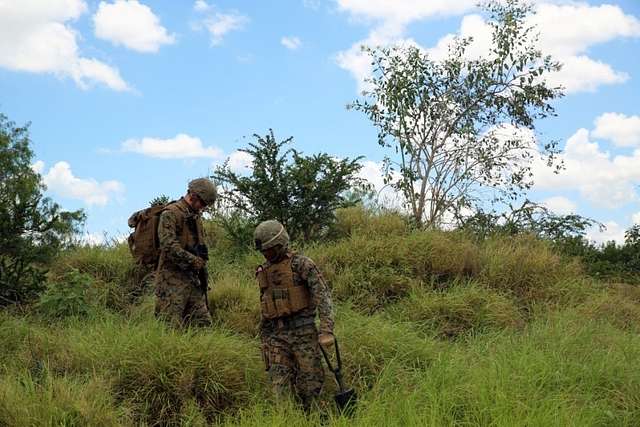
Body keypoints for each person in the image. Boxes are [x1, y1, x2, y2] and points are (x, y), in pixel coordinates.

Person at [254, 220, 335, 410]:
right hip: (276, 337)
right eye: (263, 251)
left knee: (311, 389)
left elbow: (323, 296)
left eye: (269, 250)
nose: (266, 254)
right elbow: (266, 306)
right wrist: (264, 337)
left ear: (280, 245)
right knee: (280, 390)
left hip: (304, 333)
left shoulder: (302, 265)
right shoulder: (264, 271)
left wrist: (326, 329)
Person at [154, 178, 217, 328]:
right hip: (171, 282)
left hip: (192, 281)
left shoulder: (195, 216)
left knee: (203, 325)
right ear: (193, 195)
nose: (203, 207)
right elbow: (168, 245)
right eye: (202, 203)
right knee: (170, 329)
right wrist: (192, 260)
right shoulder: (171, 213)